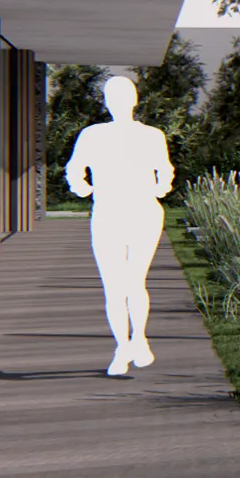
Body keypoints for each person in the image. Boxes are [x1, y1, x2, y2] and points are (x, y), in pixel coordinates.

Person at [62, 72, 175, 377]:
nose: (119, 103)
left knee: (133, 281)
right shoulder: (93, 135)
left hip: (142, 213)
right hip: (109, 213)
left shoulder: (151, 135)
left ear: (133, 100)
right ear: (107, 103)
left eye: (123, 97)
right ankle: (123, 347)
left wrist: (160, 187)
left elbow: (165, 170)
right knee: (114, 285)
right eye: (114, 98)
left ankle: (138, 339)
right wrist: (83, 188)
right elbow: (74, 169)